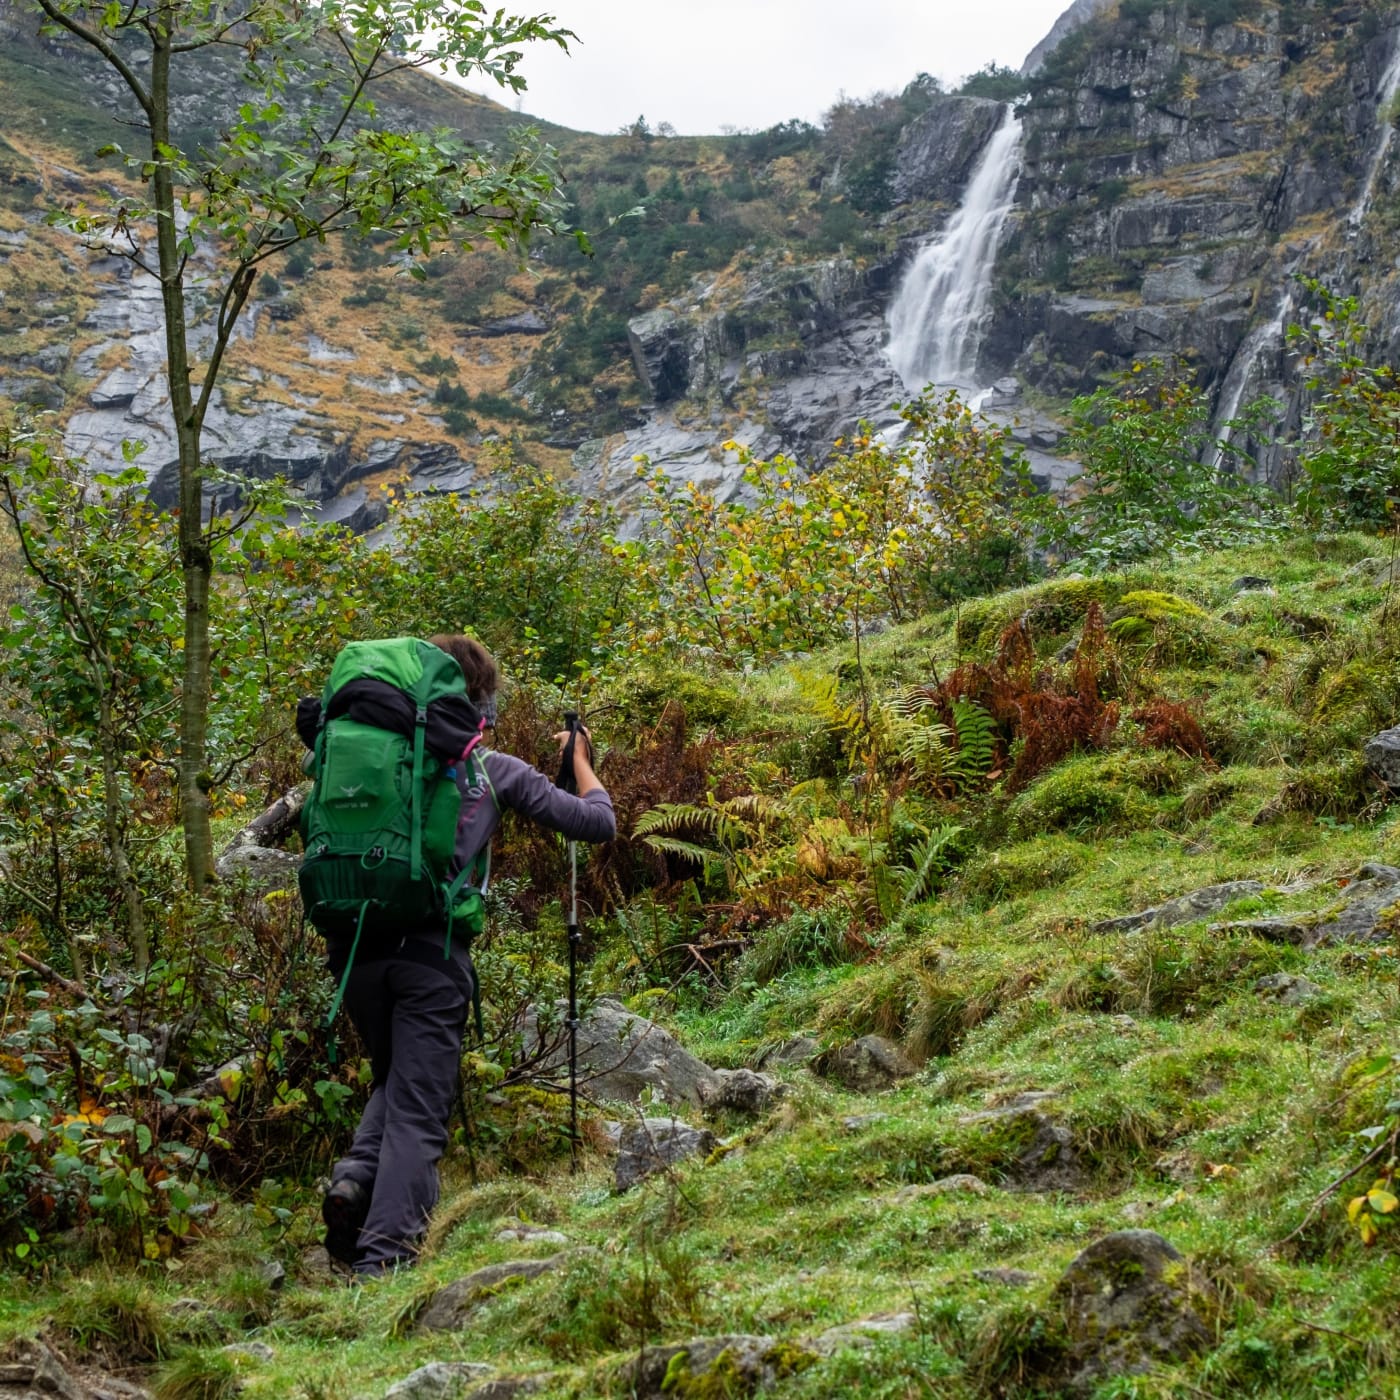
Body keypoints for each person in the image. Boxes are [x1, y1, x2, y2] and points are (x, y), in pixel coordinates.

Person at [320, 634, 615, 1278]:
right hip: (430, 957)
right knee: (421, 1114)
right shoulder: (490, 769)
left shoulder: (371, 752)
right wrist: (582, 761)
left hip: (353, 949)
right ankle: (385, 1262)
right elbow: (598, 823)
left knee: (393, 1078)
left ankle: (354, 1182)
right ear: (480, 701)